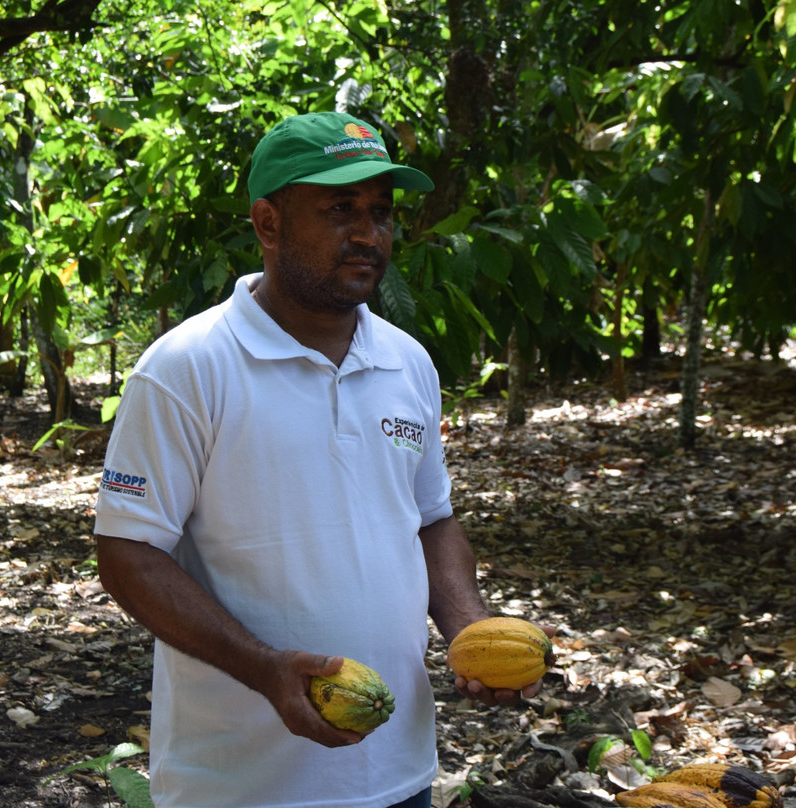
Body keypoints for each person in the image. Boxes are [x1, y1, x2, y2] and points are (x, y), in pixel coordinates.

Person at [93, 111, 543, 808]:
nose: (369, 234)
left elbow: (430, 522)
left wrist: (470, 628)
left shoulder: (406, 362)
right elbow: (129, 552)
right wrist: (264, 668)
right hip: (241, 783)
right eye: (340, 209)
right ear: (268, 223)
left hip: (398, 769)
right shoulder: (188, 368)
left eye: (381, 212)